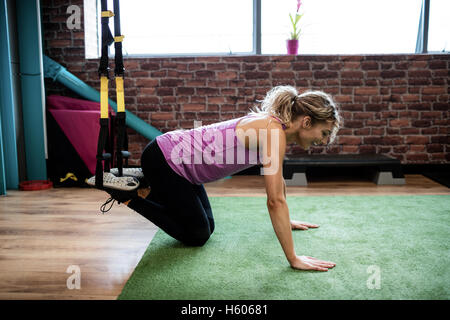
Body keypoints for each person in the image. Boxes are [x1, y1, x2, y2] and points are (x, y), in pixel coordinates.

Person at [96, 85, 341, 272]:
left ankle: (146, 180)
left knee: (208, 227)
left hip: (180, 165)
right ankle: (128, 194)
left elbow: (278, 185)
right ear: (307, 121)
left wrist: (287, 220)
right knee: (197, 235)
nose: (324, 140)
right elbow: (274, 201)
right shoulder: (272, 132)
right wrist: (293, 258)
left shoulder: (274, 129)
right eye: (324, 132)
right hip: (166, 160)